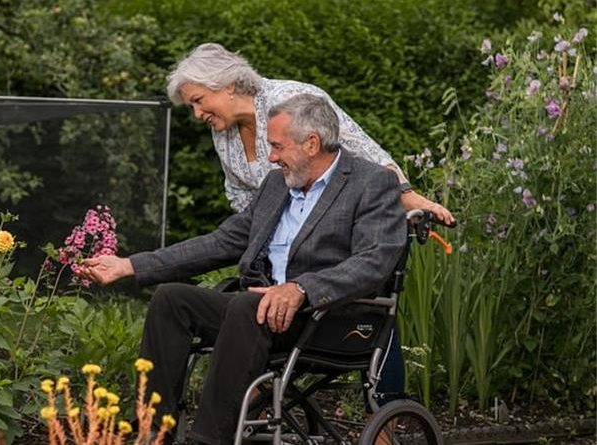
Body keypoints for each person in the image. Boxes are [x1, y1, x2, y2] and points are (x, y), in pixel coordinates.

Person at [78, 94, 407, 445]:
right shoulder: (277, 184)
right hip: (262, 312)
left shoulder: (370, 183)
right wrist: (128, 265)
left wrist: (301, 288)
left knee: (247, 305)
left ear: (312, 144)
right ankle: (153, 432)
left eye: (278, 147)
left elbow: (374, 261)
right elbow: (220, 243)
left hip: (327, 316)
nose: (271, 157)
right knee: (171, 301)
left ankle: (207, 440)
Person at [166, 42, 455, 226]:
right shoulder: (223, 132)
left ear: (228, 84)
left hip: (328, 231)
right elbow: (239, 194)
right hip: (278, 242)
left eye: (199, 100)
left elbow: (364, 151)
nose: (197, 114)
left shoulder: (292, 98)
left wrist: (406, 195)